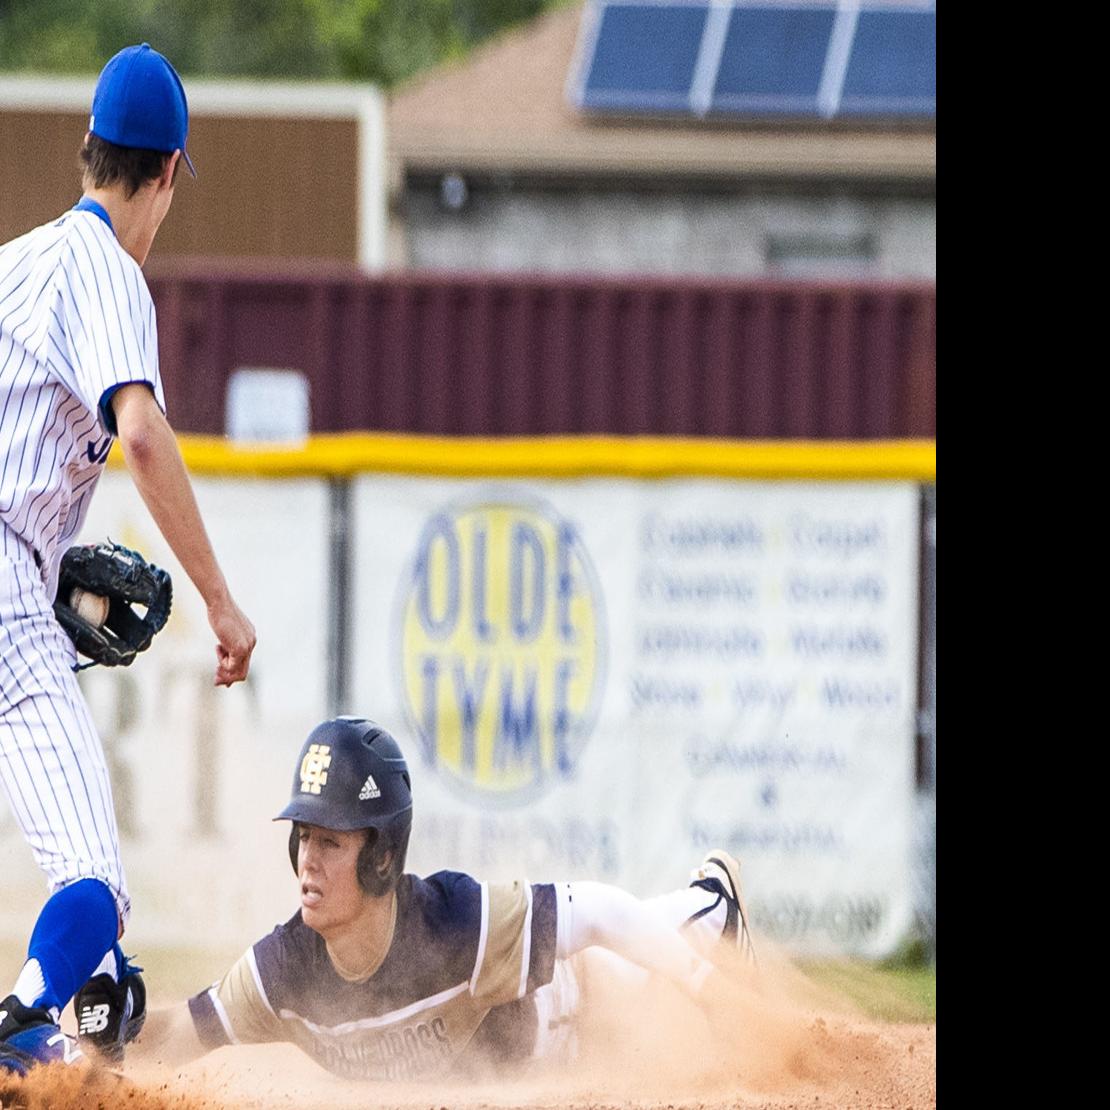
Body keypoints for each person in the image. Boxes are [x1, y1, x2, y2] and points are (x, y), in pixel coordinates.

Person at [0, 43, 256, 1073]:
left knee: (93, 926)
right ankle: (19, 1028)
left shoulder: (16, 263)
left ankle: (94, 995)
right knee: (95, 879)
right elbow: (141, 434)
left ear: (88, 152)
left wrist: (46, 568)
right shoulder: (105, 267)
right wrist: (222, 604)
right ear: (166, 173)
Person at [93, 717, 755, 1081]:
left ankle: (711, 903)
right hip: (536, 1085)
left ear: (381, 854)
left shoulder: (455, 922)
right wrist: (105, 1034)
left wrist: (703, 986)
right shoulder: (283, 971)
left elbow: (604, 913)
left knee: (646, 976)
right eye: (303, 838)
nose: (308, 863)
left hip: (576, 1005)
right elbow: (188, 1030)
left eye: (332, 841)